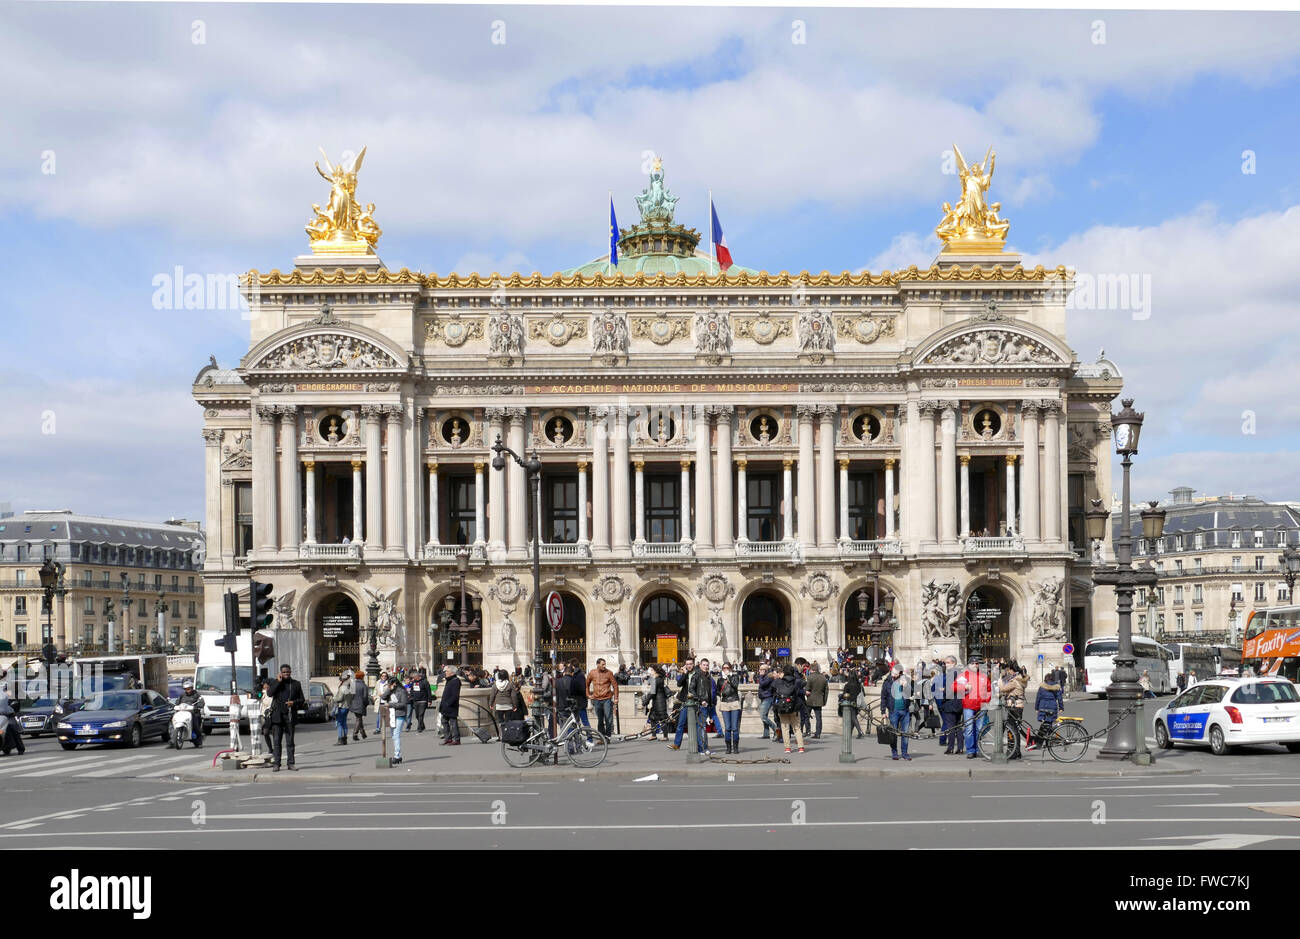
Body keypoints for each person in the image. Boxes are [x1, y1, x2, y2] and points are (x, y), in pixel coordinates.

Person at [263, 664, 305, 772]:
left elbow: (302, 700)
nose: (286, 673)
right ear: (281, 673)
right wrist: (278, 681)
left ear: (290, 672)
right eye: (284, 672)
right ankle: (276, 764)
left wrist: (293, 703)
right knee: (277, 742)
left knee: (290, 742)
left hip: (290, 717)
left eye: (288, 672)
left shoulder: (296, 684)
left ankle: (291, 764)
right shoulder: (276, 682)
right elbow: (269, 693)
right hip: (277, 717)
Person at [668, 658, 707, 753]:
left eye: (690, 664)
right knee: (680, 723)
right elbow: (679, 684)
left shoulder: (698, 674)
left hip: (696, 702)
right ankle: (677, 744)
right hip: (685, 702)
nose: (689, 666)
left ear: (693, 664)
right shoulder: (686, 674)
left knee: (698, 725)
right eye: (687, 664)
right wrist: (684, 674)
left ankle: (700, 746)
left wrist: (702, 699)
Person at [956, 657, 991, 760]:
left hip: (982, 705)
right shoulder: (963, 676)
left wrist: (987, 699)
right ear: (968, 665)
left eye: (976, 663)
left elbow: (989, 689)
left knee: (979, 729)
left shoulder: (983, 676)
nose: (975, 665)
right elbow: (954, 686)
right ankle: (971, 750)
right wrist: (964, 687)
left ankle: (977, 748)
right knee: (969, 729)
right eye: (973, 663)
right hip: (969, 705)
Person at [771, 664, 806, 754]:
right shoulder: (797, 681)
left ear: (784, 672)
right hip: (794, 707)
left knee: (785, 727)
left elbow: (772, 689)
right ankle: (800, 747)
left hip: (782, 707)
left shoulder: (778, 682)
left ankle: (787, 748)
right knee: (797, 727)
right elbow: (804, 683)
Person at [880, 665, 912, 761]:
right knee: (893, 733)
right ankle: (894, 752)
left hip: (905, 710)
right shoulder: (887, 682)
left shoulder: (905, 680)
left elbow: (911, 692)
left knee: (905, 733)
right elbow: (883, 697)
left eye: (896, 674)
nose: (893, 675)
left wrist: (906, 686)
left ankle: (904, 753)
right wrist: (883, 711)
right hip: (893, 710)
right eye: (892, 673)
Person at [934, 657, 964, 755]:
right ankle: (960, 748)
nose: (946, 665)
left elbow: (949, 690)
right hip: (959, 702)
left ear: (953, 663)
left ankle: (950, 748)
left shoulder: (951, 673)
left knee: (951, 727)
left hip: (950, 703)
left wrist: (944, 693)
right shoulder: (959, 673)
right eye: (945, 663)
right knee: (958, 726)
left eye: (948, 663)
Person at [1031, 669, 1064, 751]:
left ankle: (1041, 741)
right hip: (1052, 706)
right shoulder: (1056, 687)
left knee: (1044, 723)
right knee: (1049, 723)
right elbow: (1059, 698)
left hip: (1043, 706)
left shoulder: (1042, 687)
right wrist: (1061, 707)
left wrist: (1036, 708)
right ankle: (1049, 739)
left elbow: (1038, 698)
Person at [999, 664, 1027, 759]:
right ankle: (1017, 751)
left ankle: (1012, 751)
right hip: (1019, 706)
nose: (1008, 672)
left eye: (1009, 670)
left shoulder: (1014, 681)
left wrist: (1000, 679)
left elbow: (1003, 688)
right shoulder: (1020, 679)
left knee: (1011, 729)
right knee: (1016, 729)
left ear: (1012, 670)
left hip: (1014, 706)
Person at [586, 658, 618, 738]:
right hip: (597, 699)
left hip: (607, 698)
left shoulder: (609, 673)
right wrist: (588, 695)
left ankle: (607, 736)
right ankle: (602, 737)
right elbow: (587, 684)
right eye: (602, 664)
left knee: (608, 719)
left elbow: (615, 686)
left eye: (605, 664)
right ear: (598, 664)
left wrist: (616, 698)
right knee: (600, 720)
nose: (604, 666)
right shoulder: (592, 673)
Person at [382, 673, 409, 766]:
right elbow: (383, 697)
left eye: (390, 684)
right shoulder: (391, 691)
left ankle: (397, 755)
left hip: (400, 714)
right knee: (393, 735)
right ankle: (398, 755)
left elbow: (403, 704)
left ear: (395, 683)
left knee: (396, 735)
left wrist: (390, 704)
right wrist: (389, 690)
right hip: (392, 714)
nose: (389, 685)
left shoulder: (402, 691)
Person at [716, 662, 743, 754]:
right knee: (727, 727)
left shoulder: (735, 677)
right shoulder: (720, 680)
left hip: (734, 702)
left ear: (730, 668)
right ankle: (728, 747)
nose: (726, 669)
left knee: (734, 727)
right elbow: (717, 691)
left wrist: (729, 677)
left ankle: (735, 747)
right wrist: (720, 696)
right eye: (724, 668)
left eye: (727, 668)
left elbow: (735, 685)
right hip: (724, 703)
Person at [489, 669, 525, 736]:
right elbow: (514, 696)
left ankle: (501, 735)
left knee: (500, 720)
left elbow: (492, 695)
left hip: (499, 705)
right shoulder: (510, 684)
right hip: (508, 705)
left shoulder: (495, 684)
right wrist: (515, 705)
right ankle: (507, 735)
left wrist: (491, 704)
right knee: (508, 721)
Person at [175, 678, 206, 747]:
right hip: (183, 712)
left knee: (195, 726)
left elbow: (201, 702)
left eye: (189, 689)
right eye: (186, 689)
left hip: (193, 713)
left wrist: (197, 706)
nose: (187, 690)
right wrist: (176, 705)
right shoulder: (182, 695)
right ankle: (172, 740)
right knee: (174, 720)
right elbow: (177, 702)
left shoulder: (196, 695)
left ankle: (199, 741)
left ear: (192, 688)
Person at [643, 665, 671, 740]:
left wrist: (645, 701)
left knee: (662, 719)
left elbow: (652, 693)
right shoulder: (660, 679)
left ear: (655, 671)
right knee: (652, 717)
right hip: (659, 701)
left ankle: (665, 736)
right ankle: (654, 735)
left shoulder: (655, 680)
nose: (651, 672)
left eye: (652, 670)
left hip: (659, 702)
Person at [438, 663, 462, 745]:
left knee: (453, 722)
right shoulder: (449, 680)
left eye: (447, 671)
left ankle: (456, 739)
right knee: (444, 721)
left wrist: (448, 703)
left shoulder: (456, 681)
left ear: (452, 673)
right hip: (445, 705)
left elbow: (455, 695)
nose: (445, 672)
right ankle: (448, 738)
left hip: (451, 706)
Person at [804, 662, 828, 739]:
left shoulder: (810, 677)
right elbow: (826, 691)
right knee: (818, 718)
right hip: (819, 700)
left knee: (806, 716)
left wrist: (806, 693)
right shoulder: (823, 678)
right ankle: (818, 733)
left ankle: (808, 730)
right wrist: (824, 701)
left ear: (811, 669)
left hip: (810, 699)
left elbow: (807, 689)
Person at [839, 667, 865, 739]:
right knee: (853, 718)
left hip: (850, 703)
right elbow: (863, 694)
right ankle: (850, 733)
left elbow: (844, 695)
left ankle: (860, 731)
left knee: (853, 717)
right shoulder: (859, 685)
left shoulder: (848, 685)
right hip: (858, 703)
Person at [757, 663, 781, 742]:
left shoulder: (769, 677)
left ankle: (776, 729)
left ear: (766, 670)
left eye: (761, 669)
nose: (760, 671)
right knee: (765, 715)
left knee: (763, 716)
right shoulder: (765, 676)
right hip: (764, 697)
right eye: (759, 669)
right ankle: (766, 733)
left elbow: (762, 684)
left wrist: (761, 676)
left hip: (768, 697)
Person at [334, 669, 355, 745]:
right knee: (344, 723)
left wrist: (333, 699)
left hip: (341, 706)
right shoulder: (351, 687)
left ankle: (340, 739)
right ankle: (345, 739)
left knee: (339, 723)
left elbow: (339, 698)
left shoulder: (343, 687)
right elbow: (352, 697)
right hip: (347, 707)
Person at [408, 668, 432, 732]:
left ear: (417, 676)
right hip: (415, 701)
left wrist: (429, 700)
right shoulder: (413, 682)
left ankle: (419, 728)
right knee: (417, 716)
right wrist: (411, 696)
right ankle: (422, 726)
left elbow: (429, 691)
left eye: (413, 677)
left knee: (421, 715)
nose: (413, 679)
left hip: (423, 701)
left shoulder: (424, 681)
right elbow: (412, 690)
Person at [349, 670, 370, 741]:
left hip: (353, 704)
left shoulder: (353, 685)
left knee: (359, 718)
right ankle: (355, 733)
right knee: (358, 719)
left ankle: (363, 732)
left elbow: (350, 695)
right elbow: (365, 697)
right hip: (360, 704)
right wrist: (366, 704)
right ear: (362, 677)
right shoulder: (364, 686)